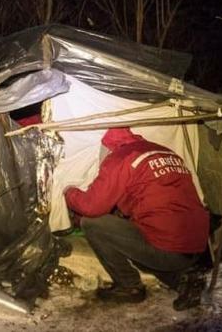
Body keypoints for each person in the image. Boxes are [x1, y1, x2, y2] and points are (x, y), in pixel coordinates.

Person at [64, 127, 209, 310]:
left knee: (93, 223)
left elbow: (91, 207)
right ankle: (184, 281)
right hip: (198, 246)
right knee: (141, 243)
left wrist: (68, 192)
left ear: (107, 148)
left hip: (169, 248)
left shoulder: (120, 157)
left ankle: (128, 286)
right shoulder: (163, 151)